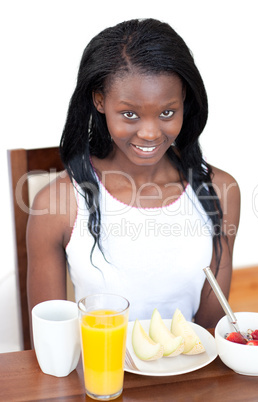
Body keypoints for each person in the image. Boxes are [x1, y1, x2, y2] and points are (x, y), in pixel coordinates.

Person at [27, 18, 240, 329]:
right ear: (99, 100)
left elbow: (210, 330)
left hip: (189, 372)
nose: (151, 133)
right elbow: (51, 343)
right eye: (130, 114)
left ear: (185, 103)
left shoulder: (220, 191)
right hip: (100, 375)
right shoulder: (58, 205)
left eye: (167, 112)